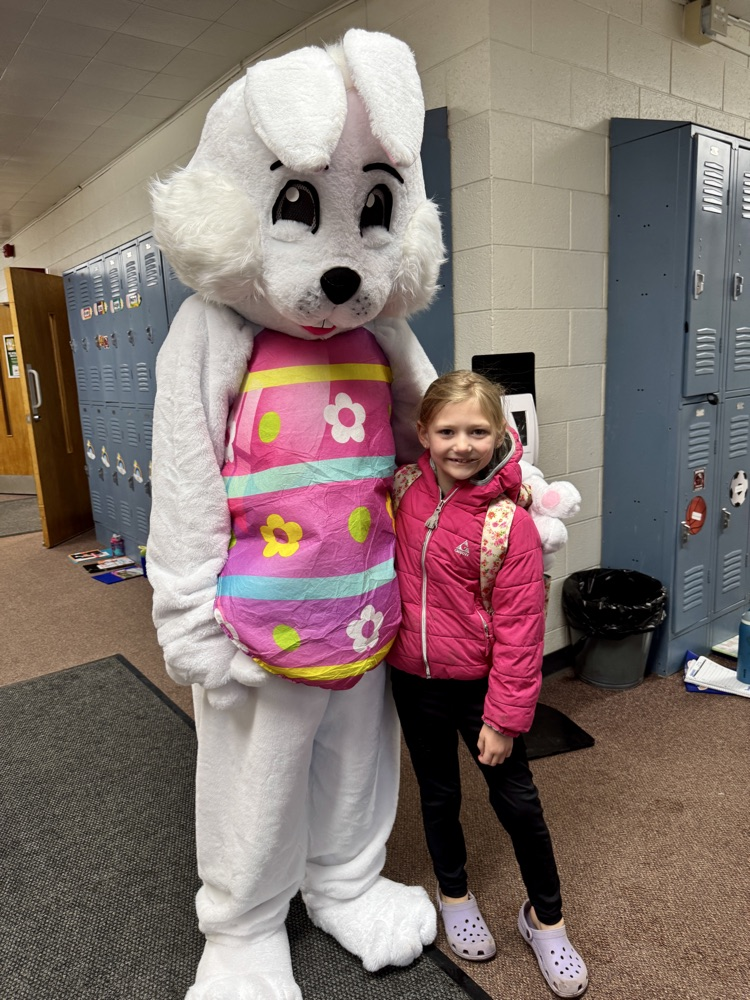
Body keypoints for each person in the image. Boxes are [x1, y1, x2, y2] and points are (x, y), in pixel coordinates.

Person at [388, 370, 588, 998]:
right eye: (447, 430)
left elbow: (522, 632)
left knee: (517, 802)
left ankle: (546, 920)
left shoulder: (509, 524)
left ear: (501, 433)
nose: (461, 445)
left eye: (478, 431)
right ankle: (455, 893)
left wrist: (502, 719)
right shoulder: (401, 491)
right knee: (438, 794)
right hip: (413, 678)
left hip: (482, 690)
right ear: (423, 433)